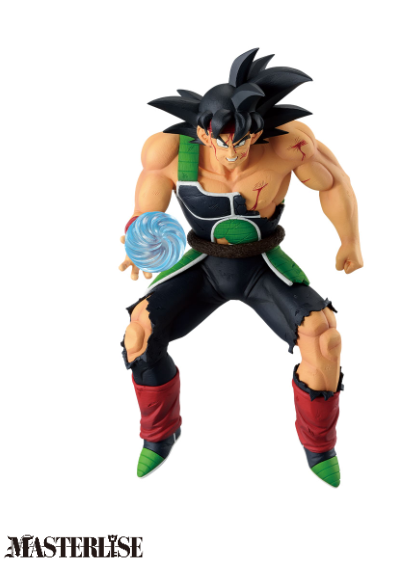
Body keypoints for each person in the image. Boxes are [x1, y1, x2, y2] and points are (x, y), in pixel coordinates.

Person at [119, 49, 363, 486]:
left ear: (257, 131)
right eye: (222, 141)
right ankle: (159, 433)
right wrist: (138, 238)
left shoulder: (286, 146)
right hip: (203, 264)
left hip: (262, 264)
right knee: (139, 334)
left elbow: (335, 181)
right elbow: (146, 208)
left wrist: (350, 239)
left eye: (243, 140)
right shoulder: (171, 153)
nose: (233, 151)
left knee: (323, 338)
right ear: (202, 132)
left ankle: (319, 445)